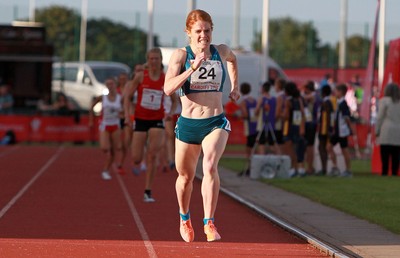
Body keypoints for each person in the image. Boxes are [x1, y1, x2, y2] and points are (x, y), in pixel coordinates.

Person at [164, 9, 240, 243]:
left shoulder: (221, 51)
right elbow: (168, 89)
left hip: (215, 121)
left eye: (207, 31)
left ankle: (209, 222)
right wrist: (192, 68)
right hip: (188, 124)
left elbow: (233, 60)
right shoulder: (180, 55)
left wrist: (235, 86)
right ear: (189, 33)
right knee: (185, 177)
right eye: (198, 31)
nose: (203, 36)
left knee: (209, 166)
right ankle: (184, 218)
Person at [124, 48, 175, 203]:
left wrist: (169, 114)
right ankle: (138, 161)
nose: (154, 61)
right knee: (137, 158)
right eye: (151, 59)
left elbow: (175, 101)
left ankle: (148, 190)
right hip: (140, 119)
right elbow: (127, 97)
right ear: (148, 60)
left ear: (160, 60)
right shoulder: (140, 76)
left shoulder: (166, 79)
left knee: (152, 155)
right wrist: (127, 116)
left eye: (156, 59)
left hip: (157, 119)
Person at [89, 77, 124, 180]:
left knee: (114, 150)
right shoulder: (102, 97)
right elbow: (91, 107)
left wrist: (124, 115)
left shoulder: (120, 98)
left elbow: (126, 109)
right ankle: (107, 166)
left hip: (116, 125)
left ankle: (106, 170)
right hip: (105, 124)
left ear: (115, 85)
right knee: (105, 148)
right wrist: (91, 120)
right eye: (108, 84)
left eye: (112, 83)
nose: (110, 86)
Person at [375, 83, 400, 176]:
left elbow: (380, 117)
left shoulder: (384, 101)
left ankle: (384, 172)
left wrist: (377, 130)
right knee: (396, 156)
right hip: (398, 131)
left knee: (385, 154)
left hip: (386, 130)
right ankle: (394, 172)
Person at [282, 82, 306, 177]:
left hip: (290, 126)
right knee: (299, 148)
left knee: (290, 148)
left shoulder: (288, 101)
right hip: (298, 125)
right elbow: (303, 114)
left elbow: (287, 116)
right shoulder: (300, 100)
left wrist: (281, 115)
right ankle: (300, 168)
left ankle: (293, 168)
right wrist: (302, 127)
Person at [329, 84, 353, 177]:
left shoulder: (343, 104)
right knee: (329, 147)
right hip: (337, 131)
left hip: (342, 131)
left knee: (345, 150)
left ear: (341, 92)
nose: (335, 93)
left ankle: (348, 170)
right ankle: (335, 167)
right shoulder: (338, 102)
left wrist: (349, 128)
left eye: (337, 91)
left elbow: (346, 117)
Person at [238, 82, 259, 177]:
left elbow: (246, 115)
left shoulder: (243, 102)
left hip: (249, 127)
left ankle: (249, 169)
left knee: (248, 150)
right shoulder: (254, 100)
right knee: (254, 148)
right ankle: (252, 168)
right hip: (256, 126)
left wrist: (239, 115)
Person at [302, 81, 320, 174]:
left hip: (310, 123)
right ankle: (309, 166)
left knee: (309, 146)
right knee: (308, 146)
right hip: (309, 123)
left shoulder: (313, 95)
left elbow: (304, 98)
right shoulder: (315, 95)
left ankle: (309, 167)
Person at [317, 85, 335, 176]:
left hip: (324, 129)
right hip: (326, 128)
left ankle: (324, 168)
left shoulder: (326, 103)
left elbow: (327, 117)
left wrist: (327, 129)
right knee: (322, 148)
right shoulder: (329, 102)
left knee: (322, 148)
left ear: (323, 93)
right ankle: (324, 168)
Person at [255, 81, 278, 154]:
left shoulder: (261, 98)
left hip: (262, 124)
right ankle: (274, 161)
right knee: (272, 144)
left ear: (263, 89)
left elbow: (257, 111)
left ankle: (262, 162)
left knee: (261, 144)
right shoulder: (274, 99)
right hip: (272, 124)